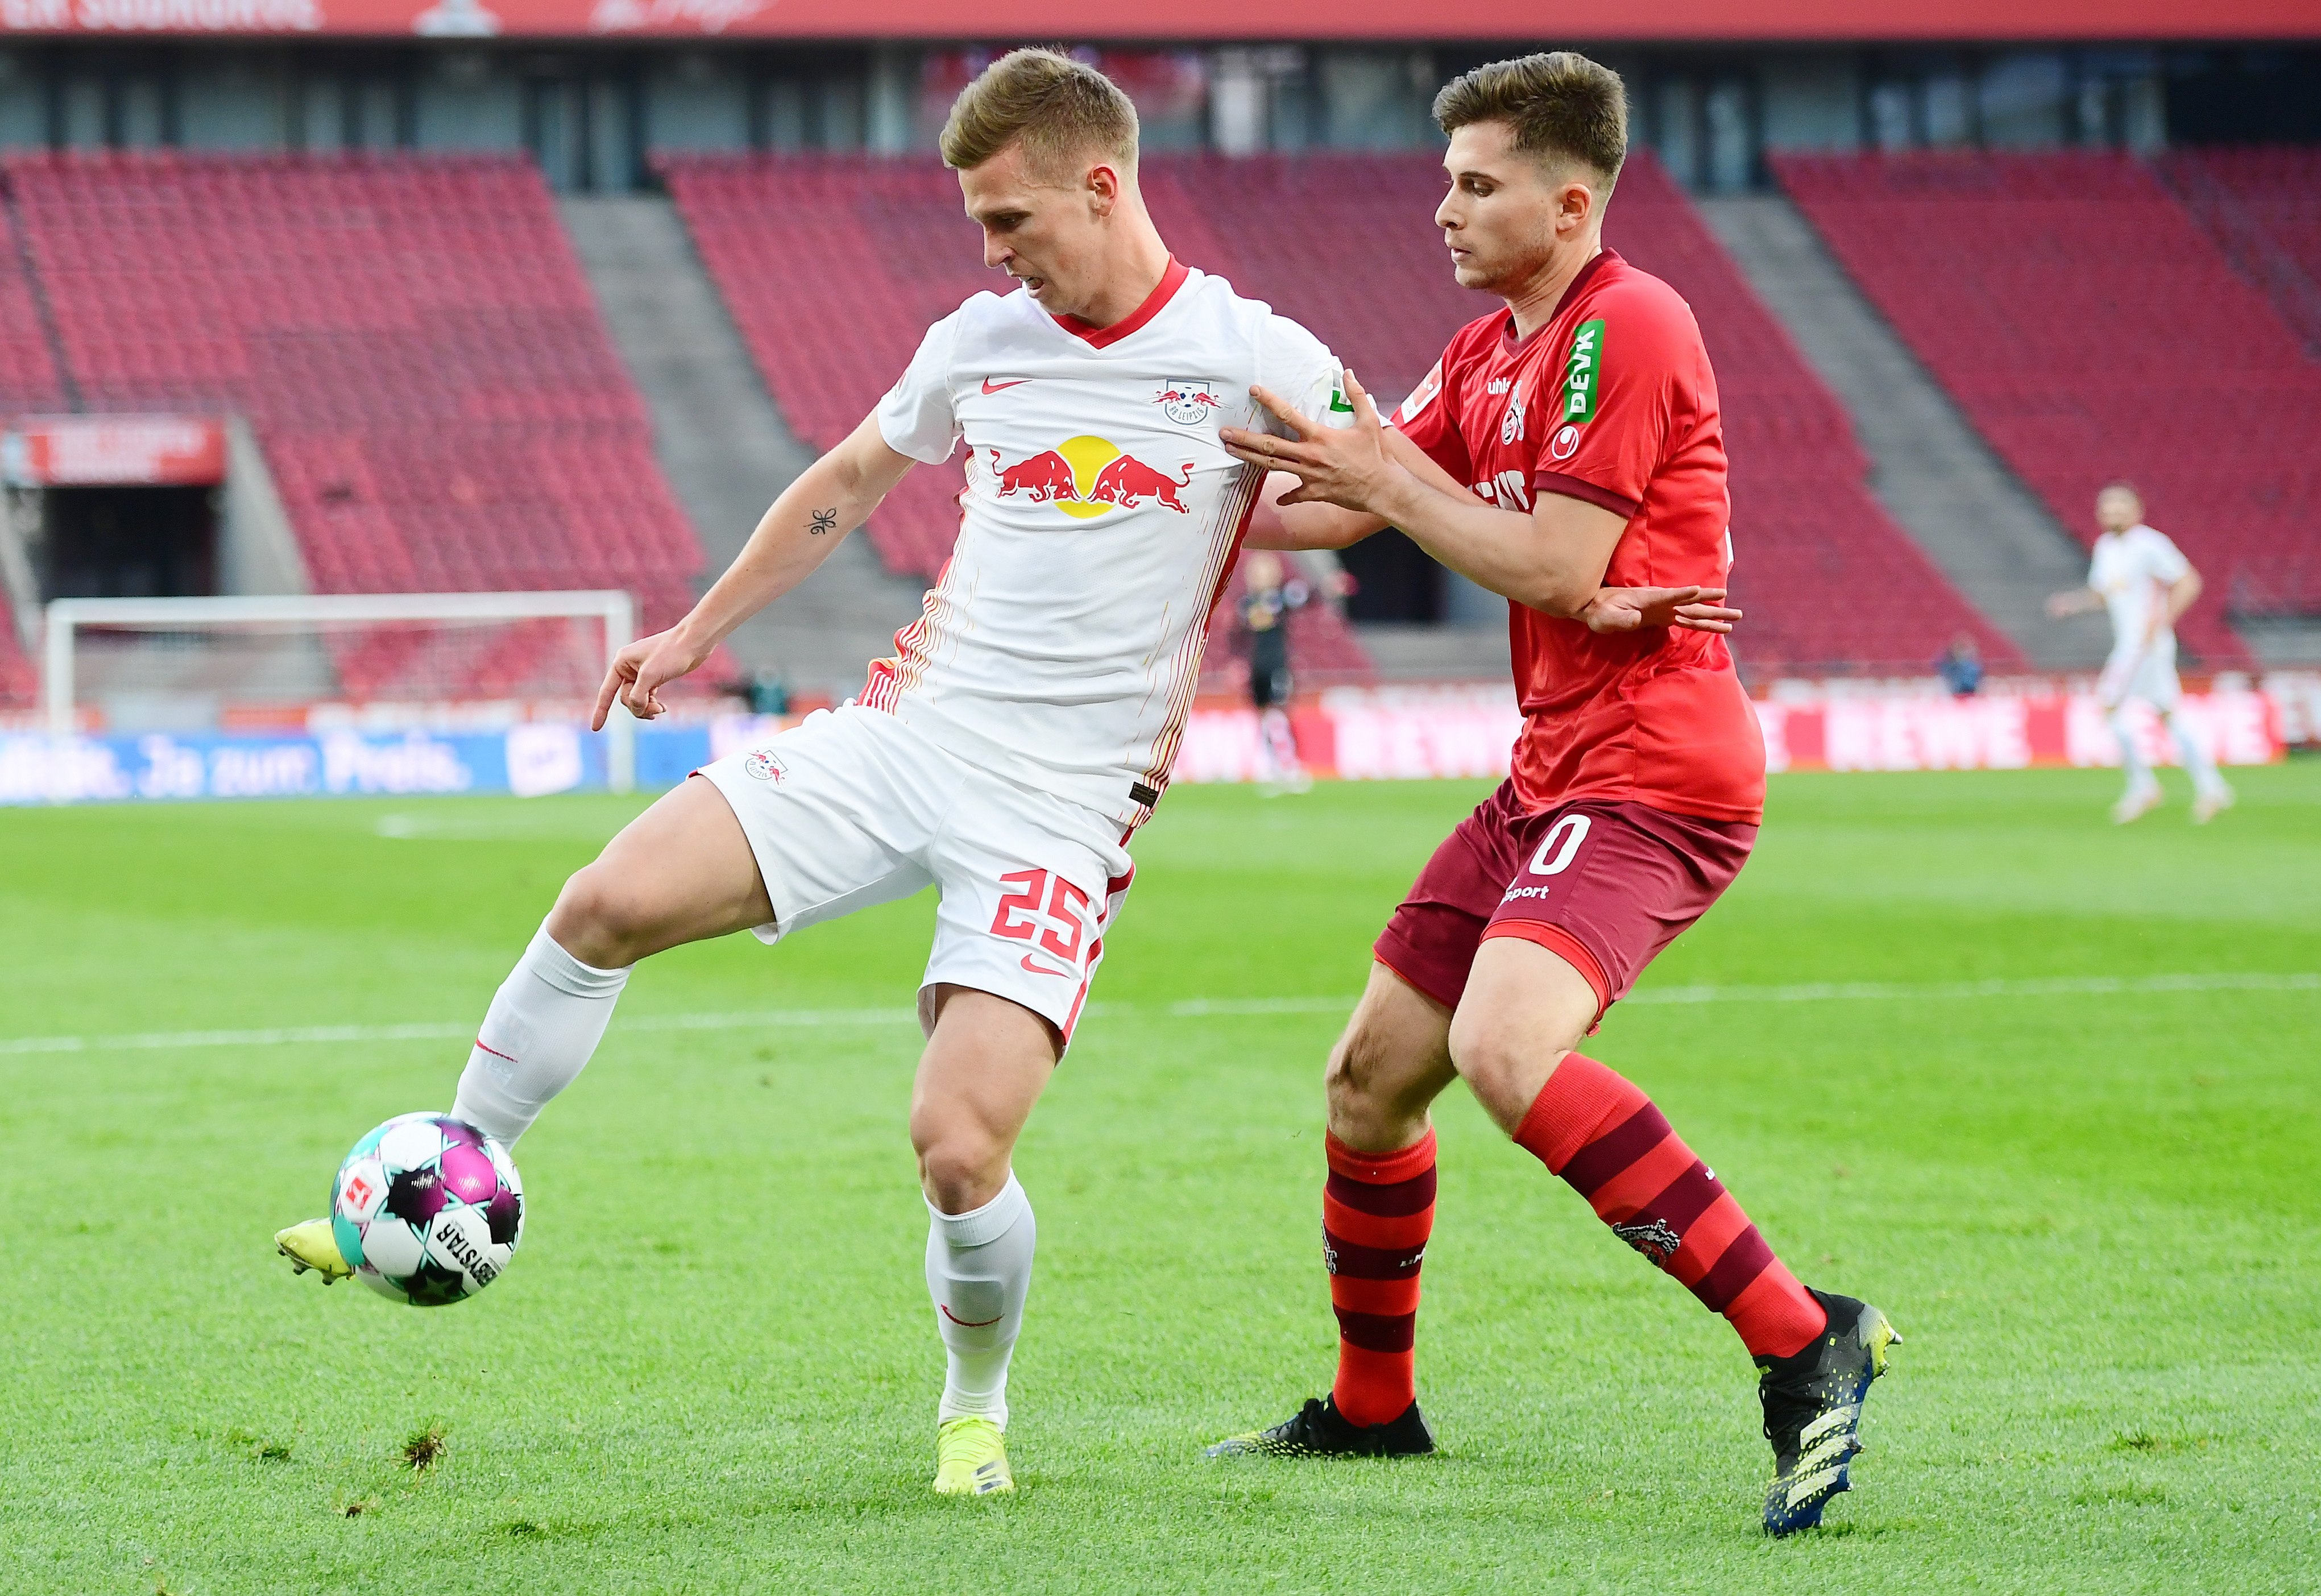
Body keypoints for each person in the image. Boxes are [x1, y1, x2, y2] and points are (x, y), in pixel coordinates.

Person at [272, 48, 1376, 1499]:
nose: (992, 256)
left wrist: (1239, 510)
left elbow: (1374, 487)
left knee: (956, 1147)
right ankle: (452, 1165)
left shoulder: (1253, 352)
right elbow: (843, 487)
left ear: (1102, 187)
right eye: (979, 226)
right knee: (607, 898)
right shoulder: (981, 341)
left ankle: (972, 1408)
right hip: (907, 736)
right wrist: (690, 633)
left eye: (1012, 222)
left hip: (1063, 808)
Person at [1201, 52, 1900, 1537]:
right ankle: (1374, 1409)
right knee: (1369, 1079)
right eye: (1444, 179)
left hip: (1654, 770)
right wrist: (1154, 441)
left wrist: (1382, 478)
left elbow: (1554, 572)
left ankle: (1802, 1333)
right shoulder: (1480, 357)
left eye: (1475, 183)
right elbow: (1321, 498)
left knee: (1504, 1051)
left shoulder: (1629, 325)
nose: (1440, 210)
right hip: (1552, 772)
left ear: (1570, 201)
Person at [2045, 482, 2233, 824]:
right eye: (2107, 508)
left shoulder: (2149, 544)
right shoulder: (2105, 547)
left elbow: (2189, 582)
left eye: (2120, 507)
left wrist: (2161, 621)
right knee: (2166, 714)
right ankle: (2211, 788)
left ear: (2137, 511)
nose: (2112, 513)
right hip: (2132, 644)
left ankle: (2146, 786)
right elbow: (2104, 593)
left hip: (2146, 645)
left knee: (2110, 705)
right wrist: (2071, 605)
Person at [1237, 549, 1316, 792]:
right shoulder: (1247, 603)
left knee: (1279, 715)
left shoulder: (1280, 598)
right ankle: (1270, 767)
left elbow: (1306, 596)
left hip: (1277, 664)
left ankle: (1291, 765)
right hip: (1256, 665)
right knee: (1262, 717)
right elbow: (1240, 635)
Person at [1935, 632, 1983, 698]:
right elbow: (1939, 667)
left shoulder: (1974, 666)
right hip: (1955, 693)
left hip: (1970, 692)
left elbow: (1978, 679)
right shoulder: (1950, 663)